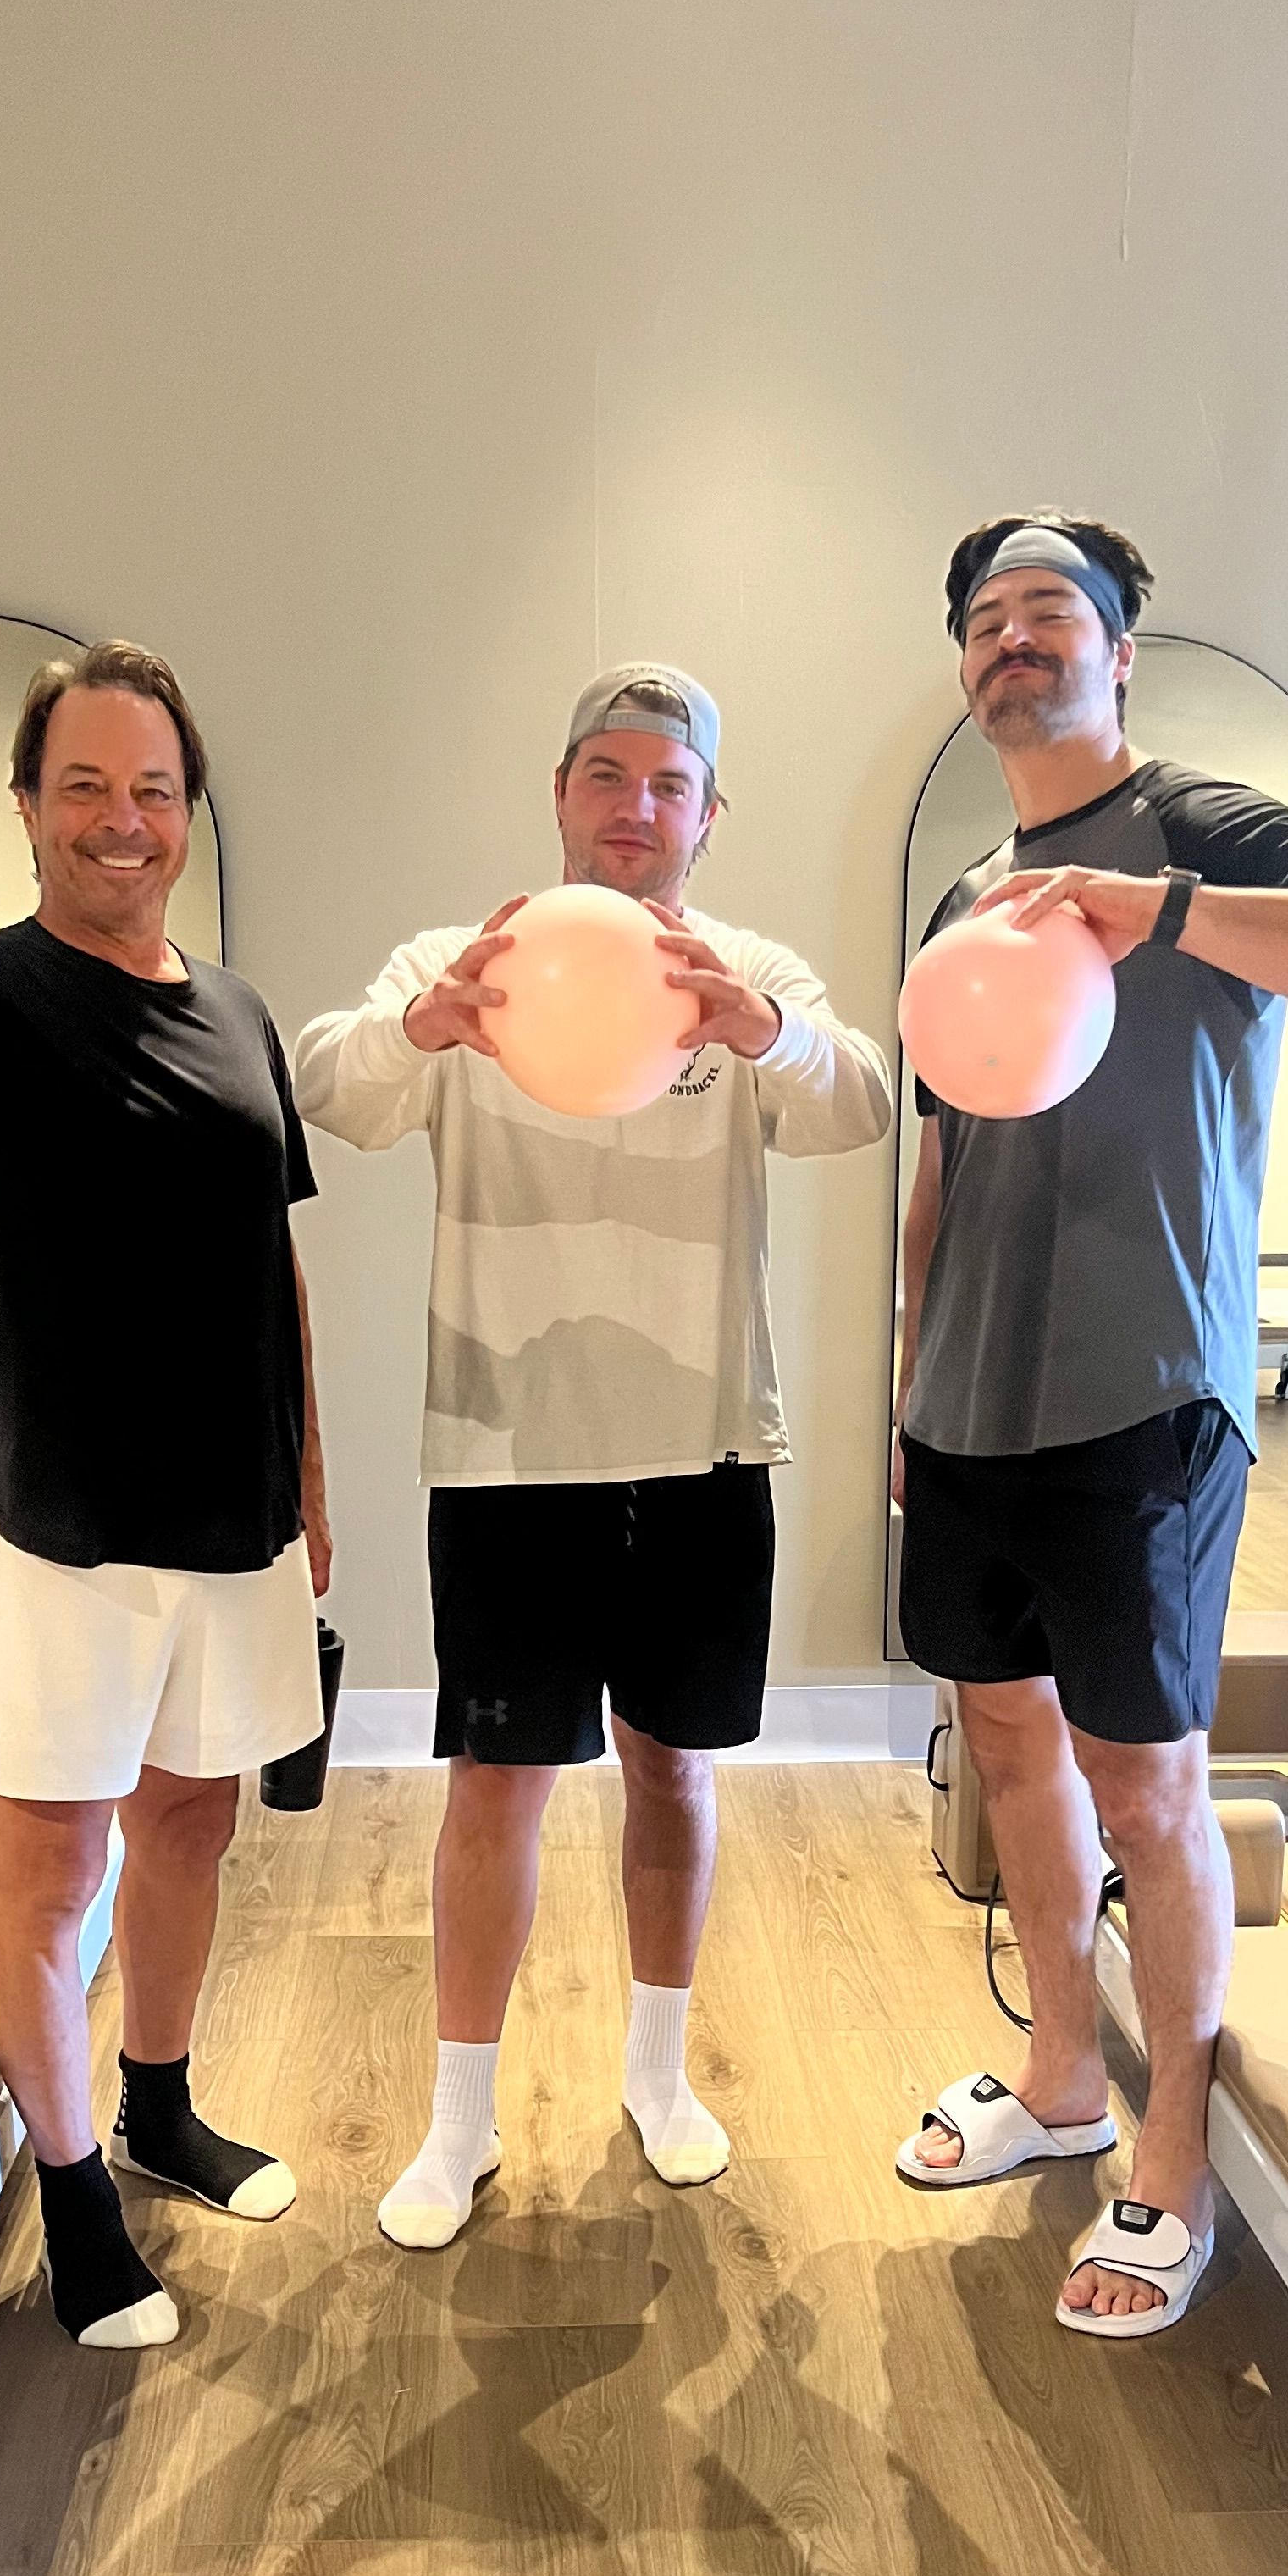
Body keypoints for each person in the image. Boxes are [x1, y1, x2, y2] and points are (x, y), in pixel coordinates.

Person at [893, 519, 1288, 2338]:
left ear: (1120, 653)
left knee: (1148, 1778)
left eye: (1048, 614)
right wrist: (911, 1367)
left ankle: (1172, 2158)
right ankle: (1065, 2081)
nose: (1011, 644)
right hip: (969, 1396)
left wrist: (1172, 916)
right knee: (1010, 1743)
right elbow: (944, 1152)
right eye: (984, 622)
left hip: (1148, 1392)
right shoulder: (966, 888)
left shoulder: (1205, 830)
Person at [293, 662, 892, 2247]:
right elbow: (329, 1090)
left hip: (702, 1446)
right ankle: (459, 2120)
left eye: (668, 785)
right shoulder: (468, 961)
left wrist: (762, 1032)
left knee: (673, 1770)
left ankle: (659, 2072)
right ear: (561, 795)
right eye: (608, 777)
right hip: (503, 1450)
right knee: (495, 1785)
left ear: (707, 813)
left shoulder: (742, 968)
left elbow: (861, 1110)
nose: (637, 810)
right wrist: (420, 1028)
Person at [0, 640, 330, 2351]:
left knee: (192, 1825)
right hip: (61, 1524)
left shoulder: (242, 1011)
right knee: (47, 1874)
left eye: (152, 790)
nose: (121, 822)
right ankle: (74, 2210)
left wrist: (311, 1484)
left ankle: (157, 2102)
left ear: (186, 809)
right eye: (84, 786)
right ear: (27, 805)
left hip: (237, 1516)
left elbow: (267, 1264)